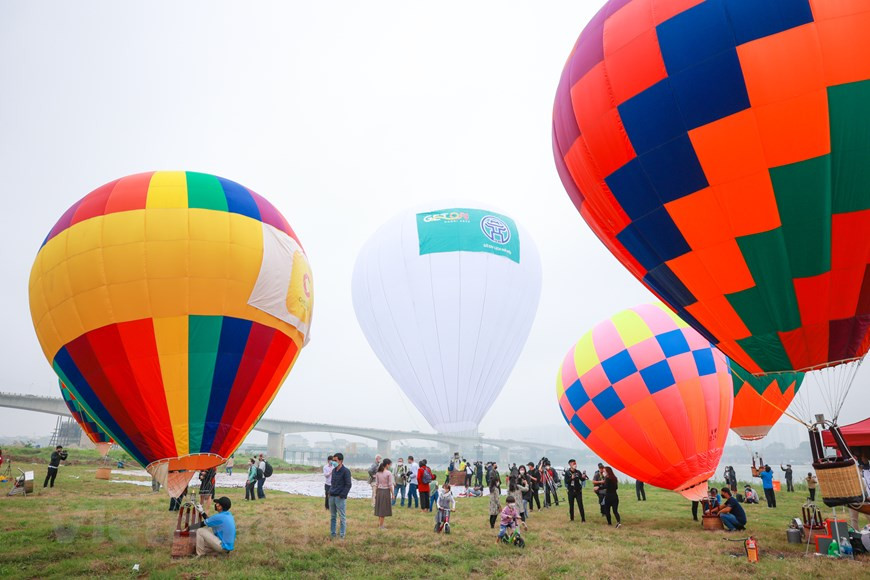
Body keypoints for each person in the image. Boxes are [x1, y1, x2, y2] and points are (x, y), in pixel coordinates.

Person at [329, 452, 352, 539]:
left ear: (341, 461)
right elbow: (332, 483)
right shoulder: (334, 471)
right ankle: (333, 534)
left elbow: (348, 484)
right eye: (333, 460)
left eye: (335, 460)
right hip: (332, 496)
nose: (333, 462)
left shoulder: (346, 471)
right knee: (333, 516)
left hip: (340, 497)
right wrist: (330, 492)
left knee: (342, 516)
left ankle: (342, 535)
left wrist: (342, 495)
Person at [374, 458, 395, 529]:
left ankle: (380, 524)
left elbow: (376, 484)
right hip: (385, 491)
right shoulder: (388, 473)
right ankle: (381, 526)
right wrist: (393, 494)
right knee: (383, 509)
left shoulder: (378, 472)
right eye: (389, 465)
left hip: (379, 491)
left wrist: (375, 493)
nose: (390, 466)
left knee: (379, 508)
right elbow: (390, 485)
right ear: (387, 464)